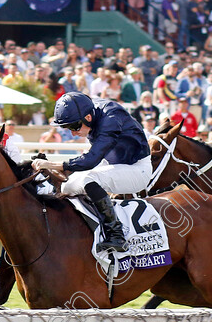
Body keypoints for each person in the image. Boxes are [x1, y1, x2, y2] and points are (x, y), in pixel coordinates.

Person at [31, 92, 152, 252]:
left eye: (74, 126)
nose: (73, 133)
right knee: (66, 188)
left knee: (89, 179)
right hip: (113, 163)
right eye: (67, 128)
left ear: (88, 117)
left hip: (137, 169)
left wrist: (52, 164)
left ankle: (116, 235)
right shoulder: (88, 109)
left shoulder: (111, 118)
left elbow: (90, 160)